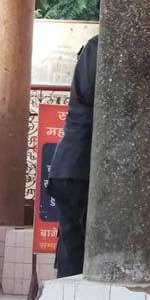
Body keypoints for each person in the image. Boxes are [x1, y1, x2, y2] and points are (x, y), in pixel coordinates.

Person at [47, 34, 98, 278]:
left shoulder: (99, 46)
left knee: (73, 245)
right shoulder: (98, 47)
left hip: (76, 166)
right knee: (76, 251)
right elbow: (93, 99)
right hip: (78, 167)